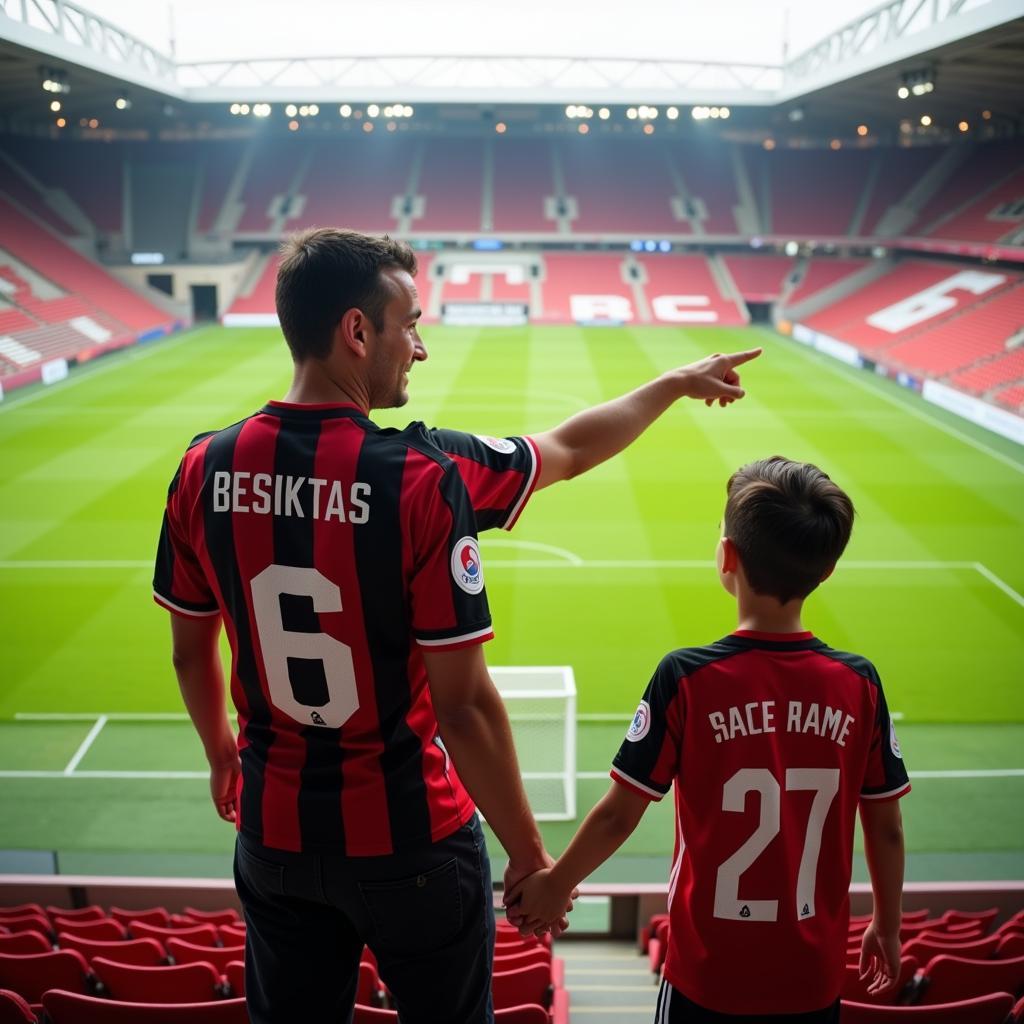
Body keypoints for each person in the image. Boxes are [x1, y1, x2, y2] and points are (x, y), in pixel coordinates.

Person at [152, 226, 761, 1024]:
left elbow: (191, 653)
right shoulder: (423, 477)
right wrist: (531, 854)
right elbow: (466, 703)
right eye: (410, 325)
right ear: (357, 330)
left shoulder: (204, 467)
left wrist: (222, 755)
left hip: (275, 837)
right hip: (415, 847)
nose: (421, 347)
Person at [506, 456, 910, 1024]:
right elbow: (886, 827)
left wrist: (555, 886)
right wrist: (886, 926)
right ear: (826, 572)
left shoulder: (687, 678)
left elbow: (621, 814)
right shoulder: (859, 684)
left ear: (727, 558)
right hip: (812, 979)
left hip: (707, 976)